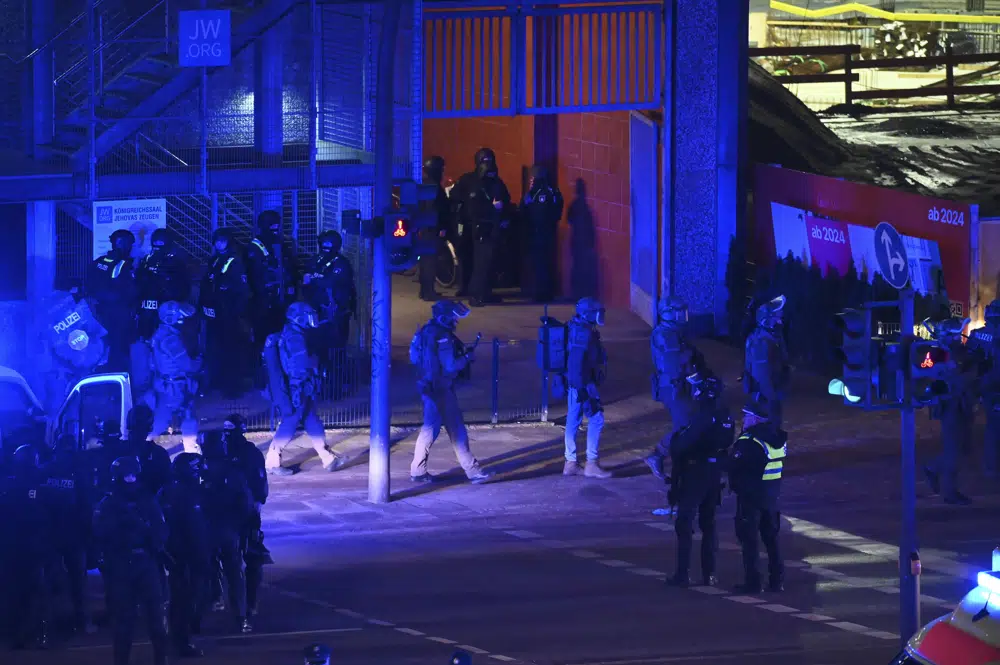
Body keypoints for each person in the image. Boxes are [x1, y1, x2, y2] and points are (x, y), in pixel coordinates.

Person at [93, 456, 169, 665]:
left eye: (133, 474)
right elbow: (100, 534)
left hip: (145, 563)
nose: (131, 478)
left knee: (156, 620)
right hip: (121, 566)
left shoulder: (147, 500)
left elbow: (162, 530)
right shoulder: (108, 504)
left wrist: (150, 537)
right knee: (123, 623)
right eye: (126, 475)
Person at [408, 299, 491, 484]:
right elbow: (451, 365)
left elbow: (413, 357)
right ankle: (473, 471)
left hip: (426, 385)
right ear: (445, 317)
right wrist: (467, 358)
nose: (456, 321)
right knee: (456, 430)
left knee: (430, 429)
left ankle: (418, 471)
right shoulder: (443, 336)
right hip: (441, 388)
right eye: (454, 317)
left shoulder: (424, 331)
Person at [666, 375, 733, 587]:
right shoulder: (725, 417)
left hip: (695, 473)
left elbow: (680, 446)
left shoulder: (702, 417)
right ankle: (710, 573)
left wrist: (676, 441)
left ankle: (683, 574)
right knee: (709, 524)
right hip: (714, 473)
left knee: (684, 522)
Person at [263, 302, 344, 476]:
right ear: (299, 318)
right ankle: (272, 461)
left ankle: (327, 457)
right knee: (290, 422)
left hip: (302, 387)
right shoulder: (295, 337)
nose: (312, 319)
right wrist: (303, 386)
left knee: (312, 420)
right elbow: (299, 366)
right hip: (298, 388)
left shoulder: (296, 333)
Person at [728, 397, 787, 593]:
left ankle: (753, 583)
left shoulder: (749, 440)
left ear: (754, 418)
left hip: (751, 497)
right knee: (771, 539)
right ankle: (777, 580)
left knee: (750, 540)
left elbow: (735, 467)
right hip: (771, 495)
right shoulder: (777, 438)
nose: (743, 420)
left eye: (746, 416)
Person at [646, 296, 708, 480]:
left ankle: (689, 459)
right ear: (669, 313)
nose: (683, 314)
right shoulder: (666, 334)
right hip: (673, 386)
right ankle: (658, 455)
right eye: (679, 311)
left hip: (679, 384)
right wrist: (695, 378)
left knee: (692, 421)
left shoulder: (674, 331)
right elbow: (677, 363)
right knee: (685, 423)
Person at [0, 445, 55, 649]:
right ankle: (34, 634)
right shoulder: (42, 483)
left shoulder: (7, 483)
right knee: (34, 593)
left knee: (12, 592)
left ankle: (14, 633)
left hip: (12, 548)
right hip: (33, 548)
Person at [201, 430, 255, 633]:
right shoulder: (233, 471)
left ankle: (200, 616)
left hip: (206, 531)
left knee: (203, 572)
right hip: (228, 530)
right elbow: (246, 503)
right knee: (234, 574)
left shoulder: (198, 470)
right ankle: (240, 617)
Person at [159, 452, 212, 656]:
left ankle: (183, 634)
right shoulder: (190, 493)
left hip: (182, 555)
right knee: (185, 599)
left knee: (185, 598)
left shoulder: (167, 492)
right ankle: (181, 641)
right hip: (186, 557)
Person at [43, 434, 94, 635]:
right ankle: (82, 622)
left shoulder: (46, 470)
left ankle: (46, 625)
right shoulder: (80, 472)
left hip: (52, 535)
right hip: (73, 535)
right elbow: (87, 505)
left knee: (49, 581)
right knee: (78, 581)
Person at [222, 414, 271, 618]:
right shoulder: (219, 452)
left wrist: (257, 503)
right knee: (228, 559)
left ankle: (250, 603)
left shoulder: (250, 454)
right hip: (225, 513)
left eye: (230, 430)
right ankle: (231, 601)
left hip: (246, 513)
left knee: (252, 557)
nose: (226, 435)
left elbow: (260, 483)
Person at [924, 317, 975, 505]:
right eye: (954, 334)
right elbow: (931, 373)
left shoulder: (960, 351)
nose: (958, 337)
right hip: (950, 406)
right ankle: (948, 490)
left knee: (963, 449)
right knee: (953, 451)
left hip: (963, 404)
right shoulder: (938, 354)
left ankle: (934, 470)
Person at [302, 230, 357, 397]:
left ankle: (339, 387)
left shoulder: (341, 264)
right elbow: (306, 281)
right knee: (319, 351)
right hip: (317, 314)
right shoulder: (316, 260)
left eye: (329, 245)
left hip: (336, 315)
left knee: (337, 352)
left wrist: (314, 279)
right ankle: (322, 387)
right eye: (323, 245)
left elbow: (330, 281)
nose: (325, 248)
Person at [563, 297, 612, 478]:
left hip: (576, 382)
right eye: (598, 312)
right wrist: (583, 391)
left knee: (573, 419)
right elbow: (576, 363)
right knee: (597, 418)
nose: (601, 315)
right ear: (589, 313)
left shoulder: (578, 327)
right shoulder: (583, 333)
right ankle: (592, 463)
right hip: (583, 383)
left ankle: (570, 463)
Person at [201, 228, 252, 398]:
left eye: (222, 240)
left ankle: (232, 388)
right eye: (216, 240)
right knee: (216, 349)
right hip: (214, 315)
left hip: (228, 315)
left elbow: (242, 290)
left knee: (231, 350)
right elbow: (207, 285)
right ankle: (218, 382)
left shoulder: (235, 261)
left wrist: (235, 312)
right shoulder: (215, 260)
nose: (219, 244)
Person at [246, 210, 299, 354]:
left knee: (281, 337)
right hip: (263, 303)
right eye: (272, 225)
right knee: (263, 339)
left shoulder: (282, 244)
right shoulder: (255, 247)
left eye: (277, 225)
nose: (276, 228)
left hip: (280, 302)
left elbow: (291, 268)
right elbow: (254, 276)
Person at [466, 148, 512, 307]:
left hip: (495, 228)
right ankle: (476, 295)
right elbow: (473, 209)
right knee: (481, 263)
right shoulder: (476, 184)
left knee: (491, 263)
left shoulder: (496, 183)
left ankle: (486, 293)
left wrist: (504, 216)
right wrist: (493, 209)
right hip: (482, 228)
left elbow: (505, 199)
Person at [150, 301, 202, 441]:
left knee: (161, 420)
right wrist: (201, 360)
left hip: (166, 384)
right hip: (175, 388)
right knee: (186, 417)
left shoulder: (161, 334)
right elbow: (188, 365)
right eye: (181, 317)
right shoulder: (171, 340)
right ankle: (191, 450)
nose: (184, 320)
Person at [89, 229, 139, 372]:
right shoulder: (125, 265)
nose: (131, 248)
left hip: (99, 313)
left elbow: (90, 286)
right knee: (120, 350)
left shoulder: (98, 262)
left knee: (105, 348)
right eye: (130, 244)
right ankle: (119, 384)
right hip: (120, 313)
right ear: (123, 244)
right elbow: (133, 291)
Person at [135, 228, 191, 341]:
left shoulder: (176, 261)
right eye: (155, 242)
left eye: (161, 242)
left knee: (166, 338)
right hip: (147, 306)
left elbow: (183, 286)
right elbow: (139, 281)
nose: (157, 245)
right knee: (146, 336)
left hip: (167, 307)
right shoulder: (146, 259)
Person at [744, 295, 790, 429]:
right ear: (767, 320)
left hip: (767, 397)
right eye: (776, 317)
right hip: (763, 401)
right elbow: (762, 376)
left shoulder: (769, 337)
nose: (780, 321)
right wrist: (773, 398)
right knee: (769, 433)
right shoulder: (761, 342)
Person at [520, 165, 563, 303]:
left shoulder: (534, 193)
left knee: (539, 264)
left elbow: (524, 210)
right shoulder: (553, 191)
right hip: (548, 233)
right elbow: (558, 210)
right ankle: (546, 292)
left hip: (537, 233)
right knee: (545, 262)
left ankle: (539, 293)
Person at [970, 300, 1000, 477]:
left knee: (992, 427)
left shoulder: (977, 335)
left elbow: (969, 360)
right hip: (991, 386)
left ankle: (991, 467)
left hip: (986, 386)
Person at [419, 156, 449, 302]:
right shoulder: (435, 188)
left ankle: (424, 290)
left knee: (425, 261)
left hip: (423, 228)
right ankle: (429, 291)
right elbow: (438, 210)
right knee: (430, 261)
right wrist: (442, 227)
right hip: (432, 229)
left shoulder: (423, 185)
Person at [124, 405, 172, 497]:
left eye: (141, 428)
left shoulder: (159, 454)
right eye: (135, 429)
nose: (138, 433)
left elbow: (167, 485)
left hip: (151, 505)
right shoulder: (160, 453)